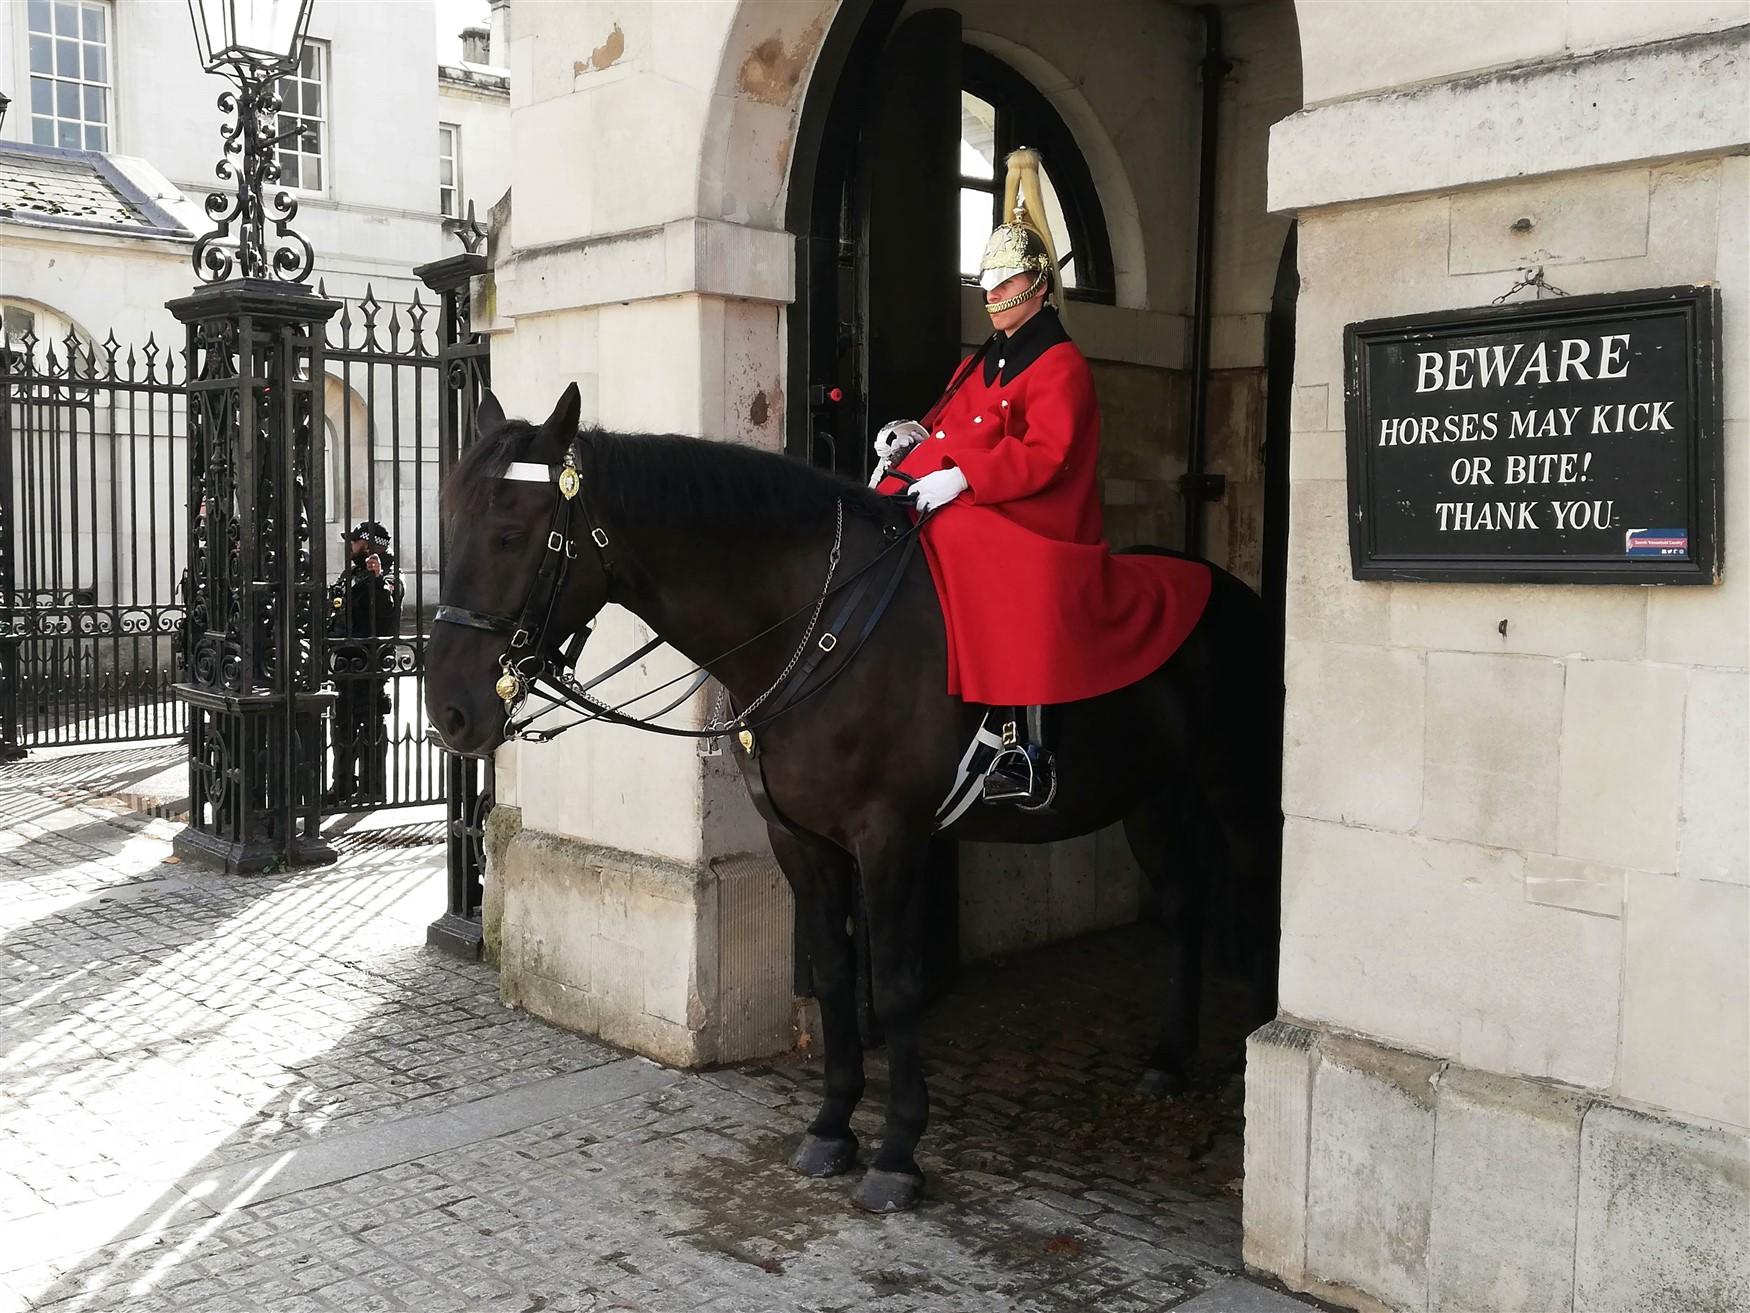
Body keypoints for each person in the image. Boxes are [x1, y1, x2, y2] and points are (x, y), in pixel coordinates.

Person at [876, 148, 1213, 810]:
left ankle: (1020, 744)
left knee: (970, 538)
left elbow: (1047, 455)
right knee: (883, 504)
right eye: (989, 285)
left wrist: (962, 479)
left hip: (1040, 517)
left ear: (1036, 284)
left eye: (1005, 285)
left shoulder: (1059, 364)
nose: (993, 296)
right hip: (982, 494)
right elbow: (953, 423)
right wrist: (914, 438)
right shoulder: (987, 359)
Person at [326, 520, 404, 805]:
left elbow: (386, 609)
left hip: (371, 663)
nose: (350, 545)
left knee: (370, 724)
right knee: (342, 725)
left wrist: (377, 578)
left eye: (355, 541)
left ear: (369, 545)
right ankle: (343, 786)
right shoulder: (352, 574)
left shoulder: (390, 576)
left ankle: (373, 788)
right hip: (345, 661)